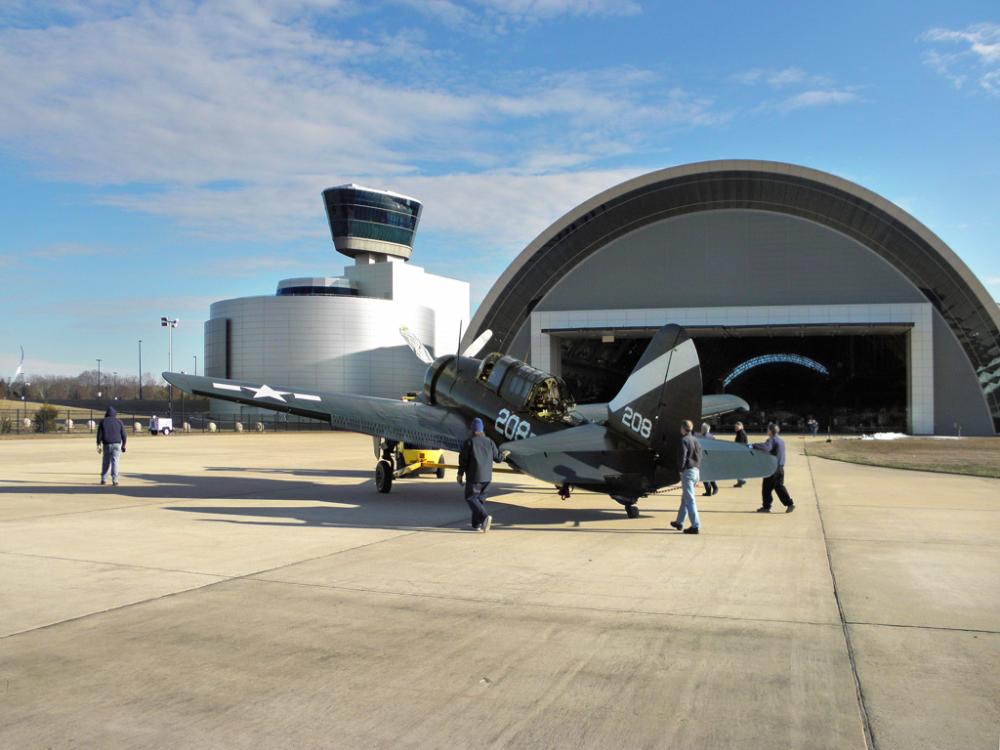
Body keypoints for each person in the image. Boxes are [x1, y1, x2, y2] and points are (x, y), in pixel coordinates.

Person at [457, 417, 502, 532]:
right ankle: (476, 525)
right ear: (482, 429)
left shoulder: (469, 442)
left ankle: (485, 517)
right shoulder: (490, 441)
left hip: (474, 477)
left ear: (472, 429)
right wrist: (504, 455)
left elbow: (463, 460)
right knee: (479, 501)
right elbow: (498, 458)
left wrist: (460, 474)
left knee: (471, 498)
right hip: (487, 478)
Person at [752, 423, 795, 513]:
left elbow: (766, 447)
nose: (767, 431)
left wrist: (753, 445)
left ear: (771, 431)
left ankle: (766, 507)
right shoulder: (781, 441)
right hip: (780, 468)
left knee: (766, 488)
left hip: (772, 469)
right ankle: (790, 504)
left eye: (768, 429)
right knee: (779, 487)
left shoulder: (772, 440)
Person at [670, 420, 702, 534]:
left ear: (683, 428)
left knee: (689, 499)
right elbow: (700, 456)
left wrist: (680, 470)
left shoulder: (683, 440)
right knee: (685, 498)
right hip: (695, 471)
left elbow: (682, 457)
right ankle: (679, 522)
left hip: (687, 472)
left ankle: (695, 525)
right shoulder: (695, 440)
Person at [96, 406, 127, 486]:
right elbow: (124, 435)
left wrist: (98, 445)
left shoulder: (103, 422)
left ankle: (104, 479)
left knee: (106, 462)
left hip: (106, 444)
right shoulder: (119, 422)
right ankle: (115, 480)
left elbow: (99, 435)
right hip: (117, 444)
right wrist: (124, 445)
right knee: (115, 462)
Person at [699, 422, 718, 496]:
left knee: (704, 475)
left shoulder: (702, 437)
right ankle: (715, 488)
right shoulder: (712, 436)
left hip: (704, 458)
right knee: (710, 474)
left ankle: (708, 491)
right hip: (711, 458)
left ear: (703, 429)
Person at [733, 421, 748, 487]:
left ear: (741, 426)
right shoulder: (740, 433)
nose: (735, 428)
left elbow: (740, 444)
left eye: (737, 427)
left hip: (740, 453)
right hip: (742, 452)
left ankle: (741, 480)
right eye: (735, 427)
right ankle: (740, 481)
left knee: (738, 466)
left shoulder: (741, 433)